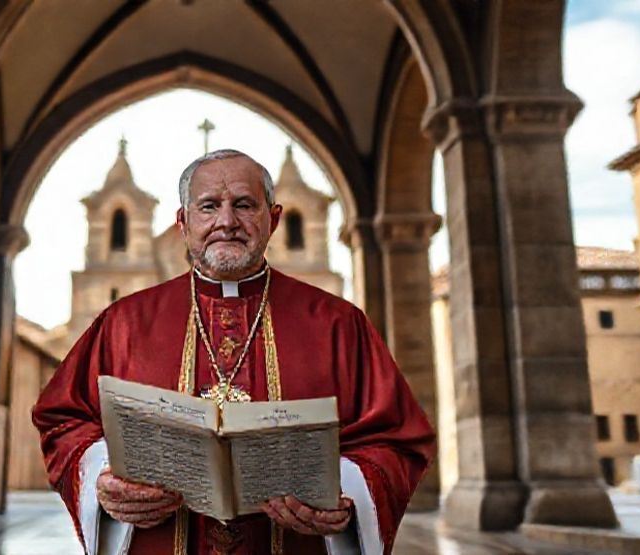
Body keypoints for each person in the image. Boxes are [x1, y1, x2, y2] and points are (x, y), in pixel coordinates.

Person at [33, 149, 434, 555]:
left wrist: (346, 493)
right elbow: (63, 419)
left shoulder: (338, 324)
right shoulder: (123, 323)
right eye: (209, 206)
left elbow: (397, 439)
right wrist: (102, 475)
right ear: (183, 223)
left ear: (273, 220)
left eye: (244, 205)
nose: (227, 222)